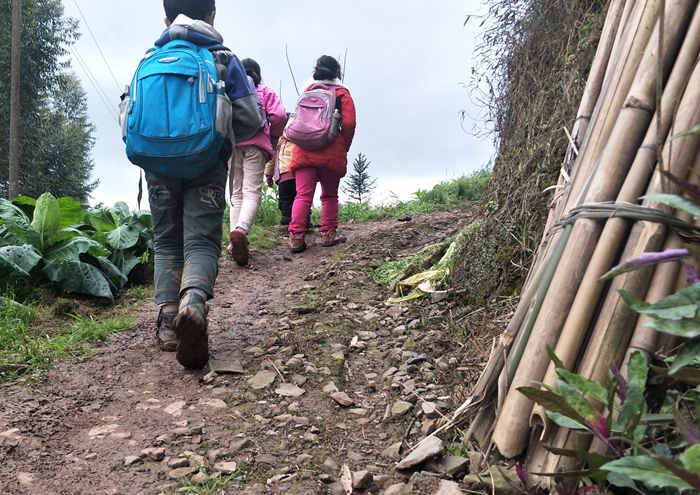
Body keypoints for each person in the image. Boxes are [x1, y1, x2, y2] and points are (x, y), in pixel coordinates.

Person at [144, 0, 256, 369]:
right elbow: (250, 119)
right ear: (211, 16)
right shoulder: (223, 57)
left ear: (166, 19)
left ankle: (167, 321)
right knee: (201, 240)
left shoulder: (151, 56)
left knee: (166, 240)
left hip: (157, 165)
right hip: (207, 163)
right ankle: (193, 302)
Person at [288, 55, 356, 253]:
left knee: (302, 195)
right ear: (337, 72)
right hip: (330, 150)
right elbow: (349, 123)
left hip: (304, 150)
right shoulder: (342, 93)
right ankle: (327, 234)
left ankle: (296, 237)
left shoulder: (308, 91)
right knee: (329, 195)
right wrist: (343, 145)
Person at [228, 59, 287, 265]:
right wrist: (273, 136)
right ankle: (241, 230)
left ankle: (233, 241)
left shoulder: (231, 91)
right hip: (256, 145)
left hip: (232, 144)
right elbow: (279, 116)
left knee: (236, 193)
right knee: (251, 192)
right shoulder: (265, 91)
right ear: (258, 74)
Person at [264, 133, 296, 225]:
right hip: (300, 173)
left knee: (285, 198)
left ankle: (286, 219)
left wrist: (268, 176)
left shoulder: (279, 139)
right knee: (301, 198)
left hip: (284, 174)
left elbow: (271, 159)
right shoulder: (302, 138)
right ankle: (304, 219)